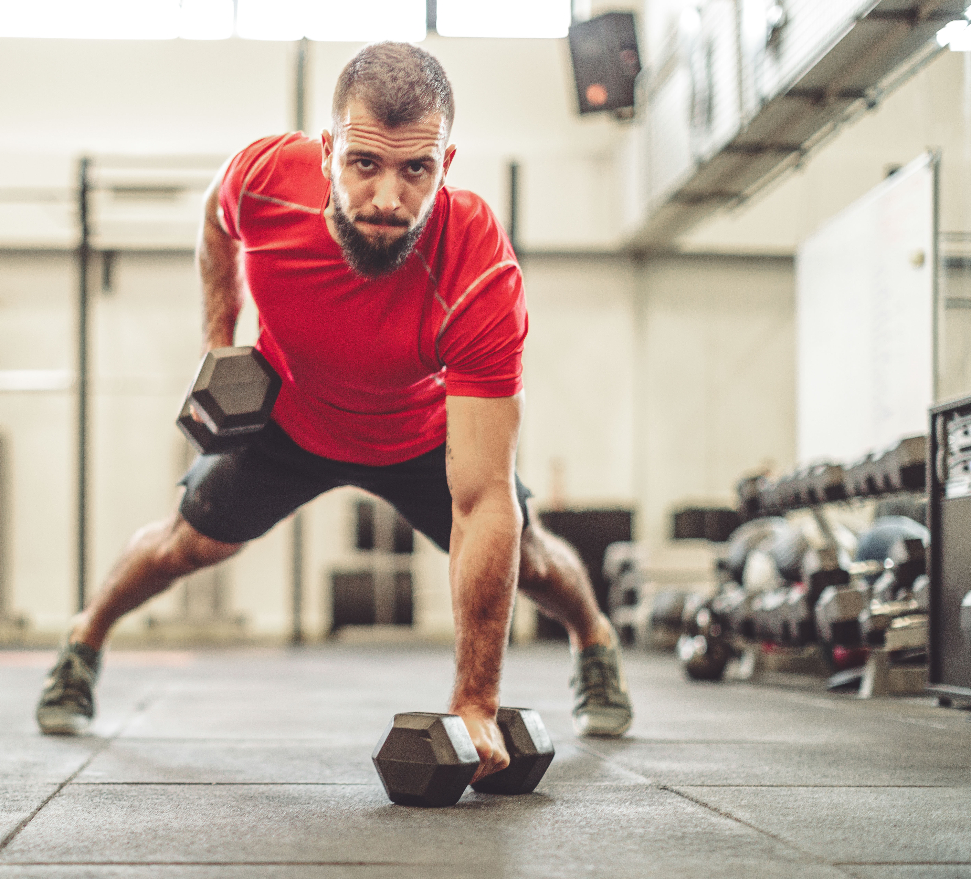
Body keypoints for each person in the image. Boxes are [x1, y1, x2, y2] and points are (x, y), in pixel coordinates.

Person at [36, 42, 632, 778]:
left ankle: (595, 640)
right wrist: (218, 346)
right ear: (326, 153)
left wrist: (476, 699)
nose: (388, 198)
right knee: (183, 545)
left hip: (417, 434)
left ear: (447, 161)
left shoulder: (478, 267)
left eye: (417, 169)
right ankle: (83, 639)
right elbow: (214, 226)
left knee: (533, 556)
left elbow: (482, 499)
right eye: (364, 164)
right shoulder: (262, 181)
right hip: (290, 418)